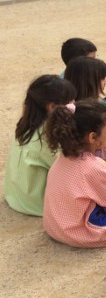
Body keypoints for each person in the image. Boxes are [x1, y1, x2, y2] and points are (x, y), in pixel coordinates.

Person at [42, 100, 106, 248]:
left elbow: (103, 177)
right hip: (86, 232)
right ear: (93, 137)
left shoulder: (62, 157)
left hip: (56, 226)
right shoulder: (94, 167)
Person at [4, 75, 76, 216]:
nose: (73, 104)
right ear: (52, 107)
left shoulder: (27, 126)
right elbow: (70, 170)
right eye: (69, 102)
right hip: (36, 204)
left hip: (16, 196)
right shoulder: (46, 138)